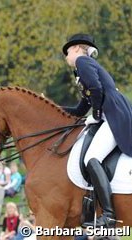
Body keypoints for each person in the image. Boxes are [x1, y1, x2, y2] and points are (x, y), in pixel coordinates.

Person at [61, 33, 132, 228]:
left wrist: (98, 113)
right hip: (113, 112)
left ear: (76, 48)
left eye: (67, 52)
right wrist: (52, 107)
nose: (66, 56)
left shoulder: (82, 62)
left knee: (91, 158)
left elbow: (96, 89)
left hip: (114, 115)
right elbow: (80, 110)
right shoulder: (83, 69)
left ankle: (108, 214)